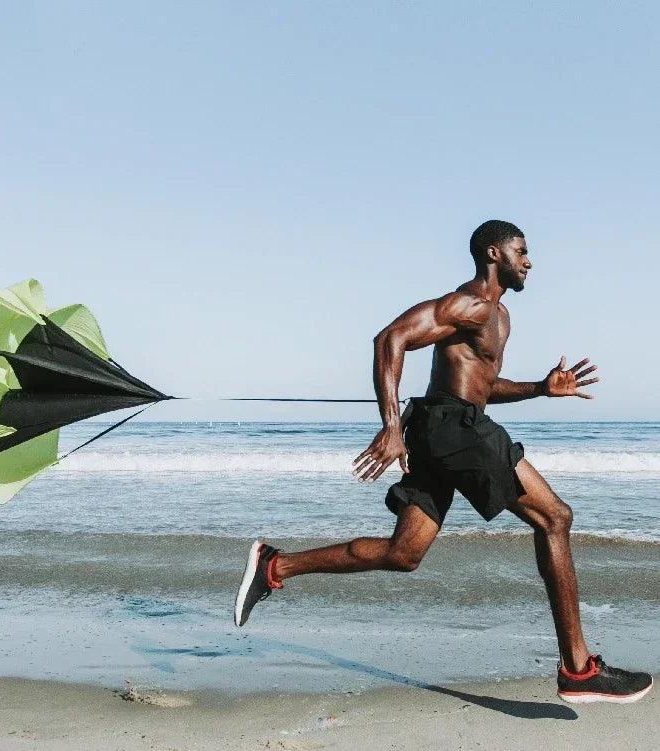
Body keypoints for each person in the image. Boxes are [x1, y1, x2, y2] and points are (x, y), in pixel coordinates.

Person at [233, 220, 653, 703]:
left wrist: (540, 387)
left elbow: (483, 387)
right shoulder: (468, 304)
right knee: (555, 517)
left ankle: (275, 565)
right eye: (521, 251)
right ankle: (578, 670)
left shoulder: (500, 318)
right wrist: (391, 426)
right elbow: (390, 338)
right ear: (495, 254)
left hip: (447, 425)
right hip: (452, 427)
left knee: (404, 553)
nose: (529, 261)